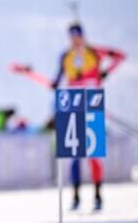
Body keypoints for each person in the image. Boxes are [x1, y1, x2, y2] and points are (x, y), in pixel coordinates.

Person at [51, 22, 125, 210]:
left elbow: (119, 57)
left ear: (82, 36)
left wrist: (105, 71)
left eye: (78, 36)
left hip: (92, 105)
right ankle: (75, 197)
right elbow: (57, 81)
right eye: (72, 36)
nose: (75, 40)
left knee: (93, 153)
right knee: (74, 154)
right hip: (73, 108)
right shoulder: (65, 56)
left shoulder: (94, 53)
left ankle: (98, 196)